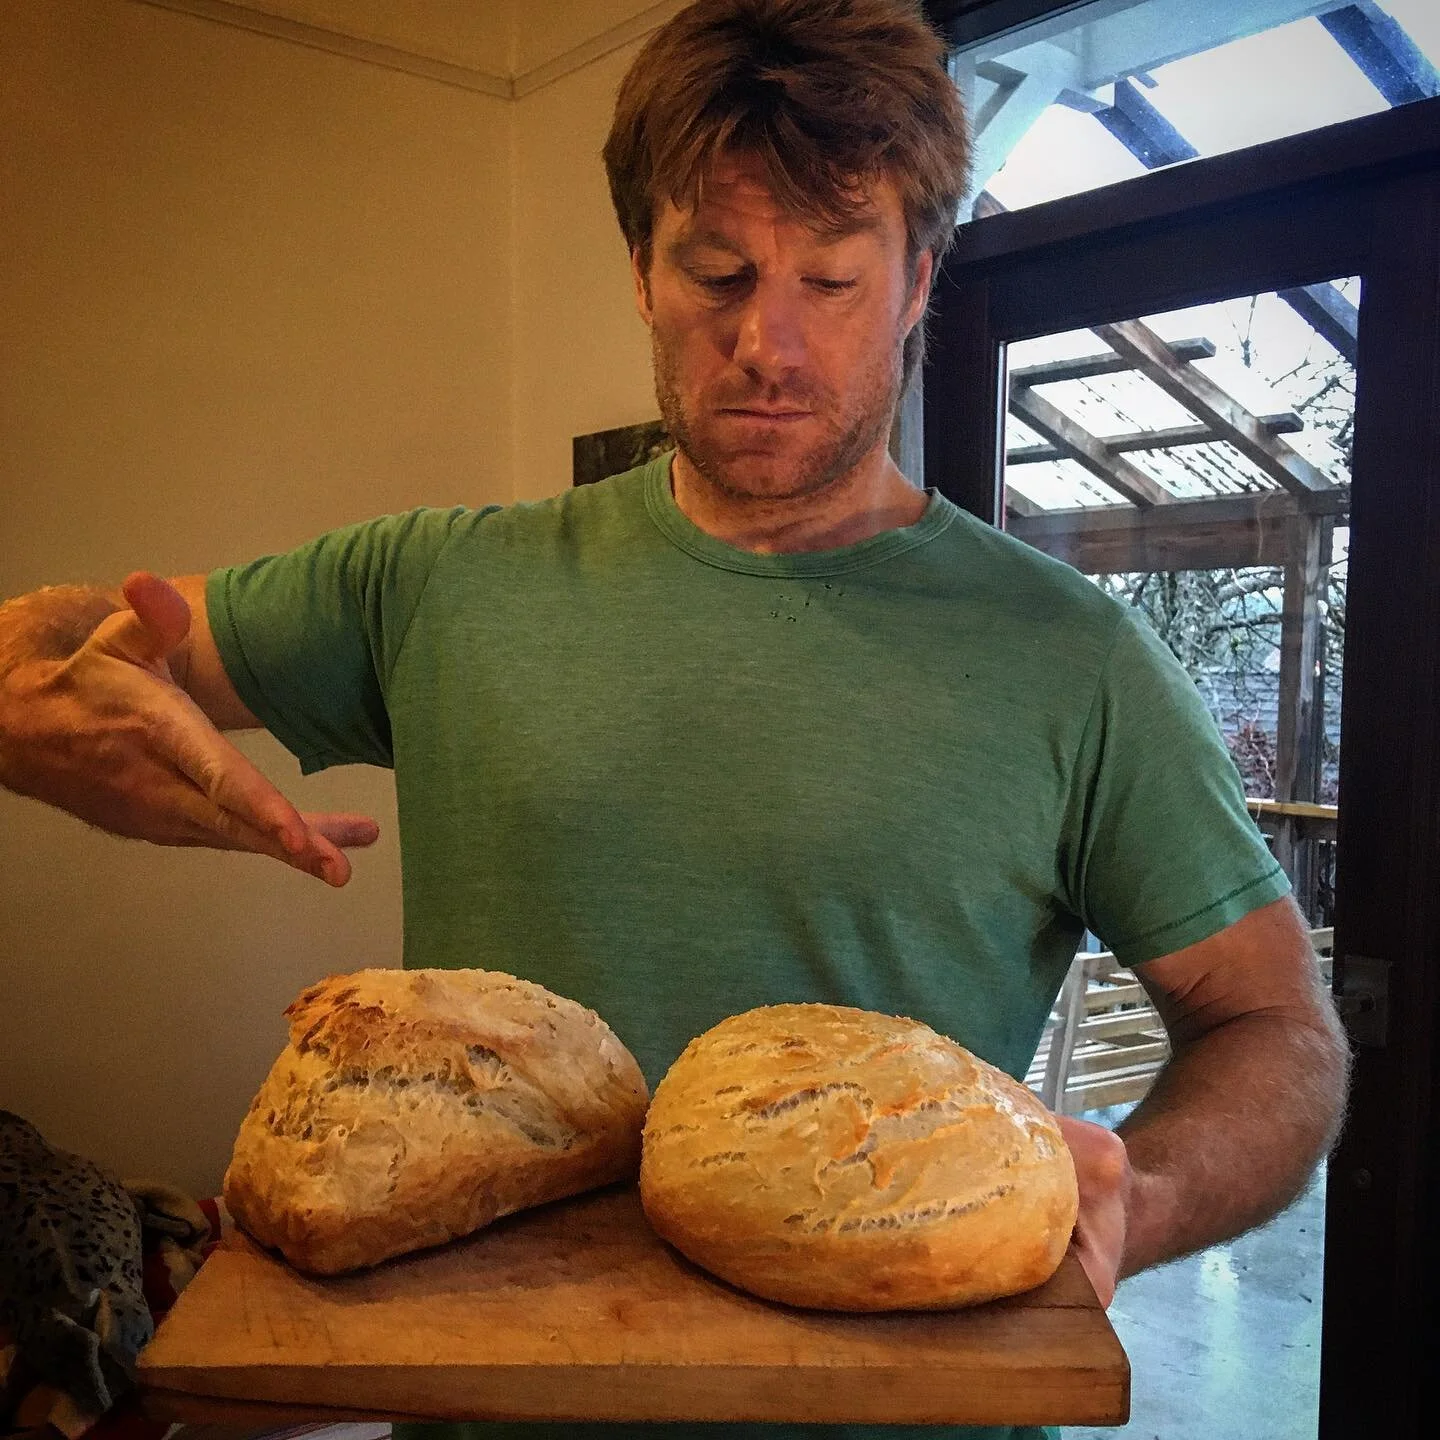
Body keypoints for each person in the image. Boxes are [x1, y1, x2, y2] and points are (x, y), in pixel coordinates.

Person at [0, 2, 1348, 1439]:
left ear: (916, 283)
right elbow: (84, 647)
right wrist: (29, 705)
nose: (768, 342)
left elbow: (1279, 1032)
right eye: (716, 269)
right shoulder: (438, 583)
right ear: (640, 270)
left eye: (831, 278)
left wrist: (1135, 1191)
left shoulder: (1077, 661)